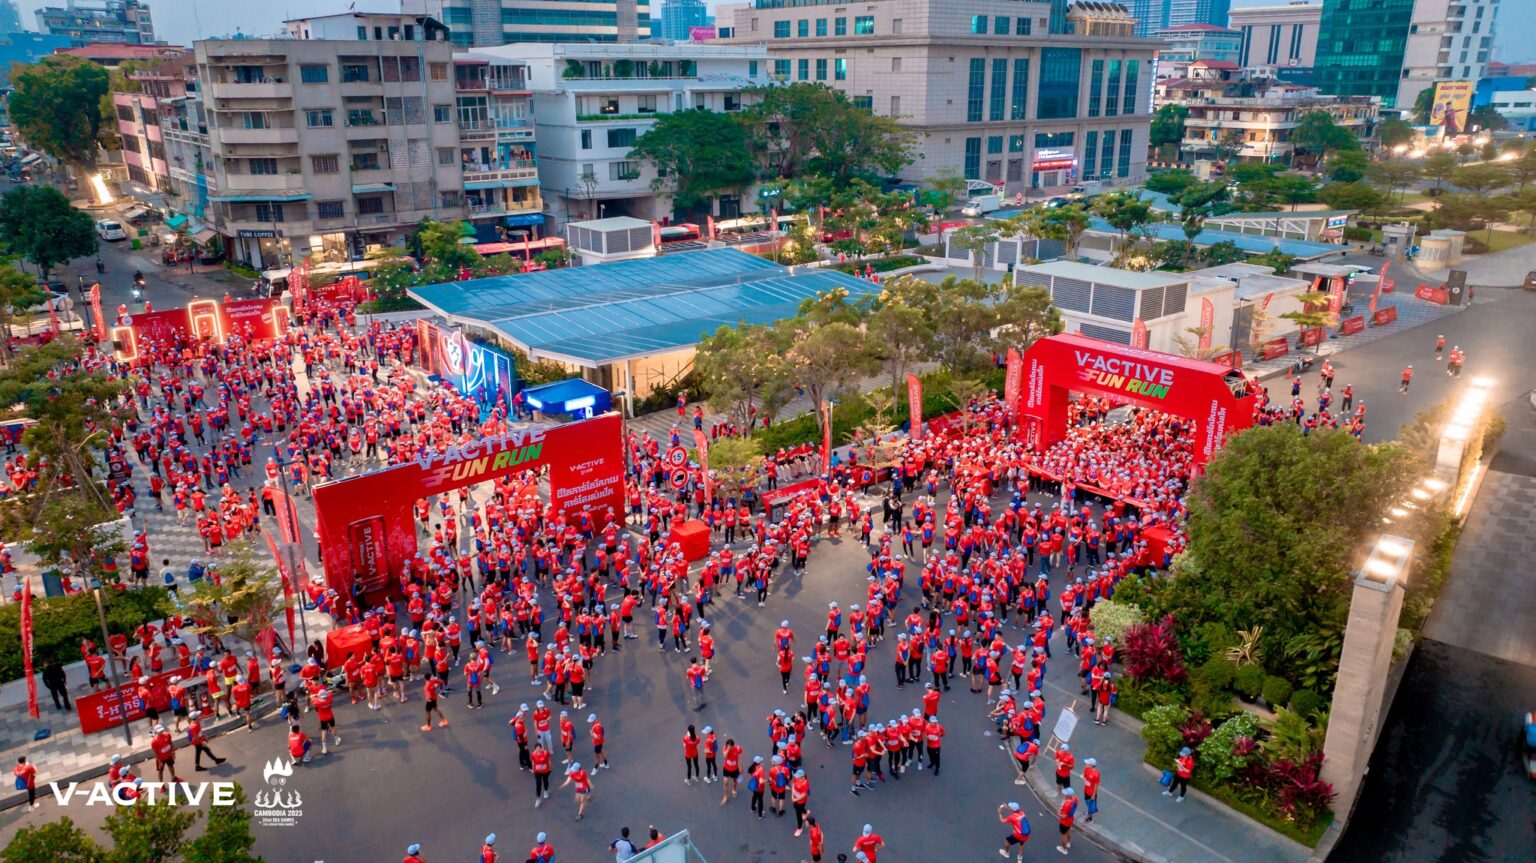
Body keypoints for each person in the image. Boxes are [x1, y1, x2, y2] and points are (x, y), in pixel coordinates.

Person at [1057, 788, 1078, 855]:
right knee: (1068, 831)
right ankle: (1068, 843)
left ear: (1068, 795)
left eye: (1065, 794)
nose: (1064, 794)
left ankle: (1064, 849)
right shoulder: (1075, 799)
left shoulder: (1067, 804)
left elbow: (1064, 816)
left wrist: (1058, 813)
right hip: (1070, 819)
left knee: (1064, 835)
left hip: (1064, 822)